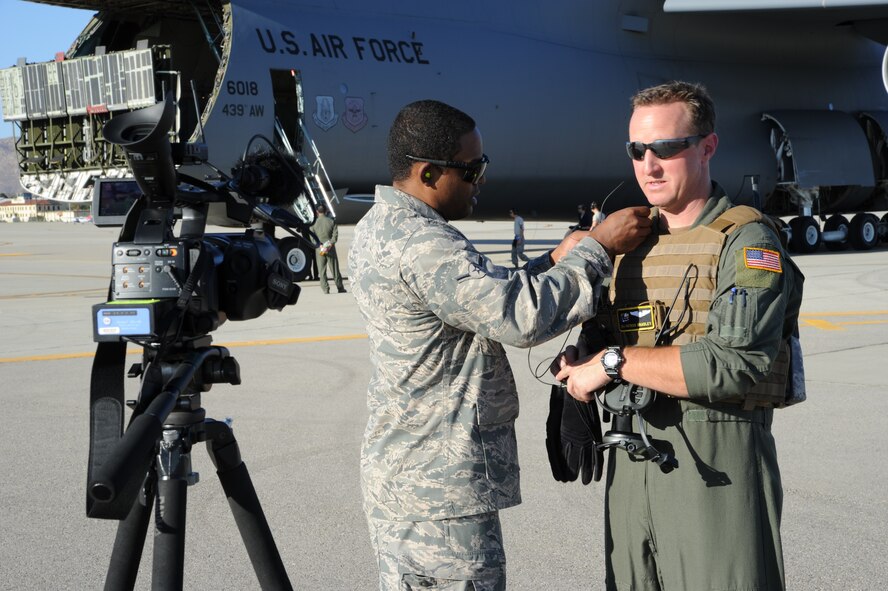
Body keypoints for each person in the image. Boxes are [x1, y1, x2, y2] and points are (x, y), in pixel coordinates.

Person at [348, 99, 652, 590]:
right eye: (472, 169)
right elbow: (519, 318)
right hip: (439, 496)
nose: (481, 180)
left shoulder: (383, 228)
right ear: (428, 174)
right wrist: (599, 247)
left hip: (406, 483)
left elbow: (478, 299)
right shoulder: (425, 244)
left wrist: (554, 259)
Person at [552, 81, 804, 591]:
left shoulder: (747, 240)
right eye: (637, 150)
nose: (650, 165)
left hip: (715, 460)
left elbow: (733, 364)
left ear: (707, 147)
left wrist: (611, 364)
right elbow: (608, 329)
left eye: (666, 148)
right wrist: (582, 354)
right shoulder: (631, 242)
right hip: (631, 456)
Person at [310, 202, 346, 293]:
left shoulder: (313, 224)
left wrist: (320, 245)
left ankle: (325, 289)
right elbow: (335, 236)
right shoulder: (331, 221)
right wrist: (329, 244)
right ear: (326, 211)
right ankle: (340, 287)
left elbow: (312, 238)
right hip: (330, 248)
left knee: (322, 271)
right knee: (334, 269)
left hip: (320, 249)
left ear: (317, 212)